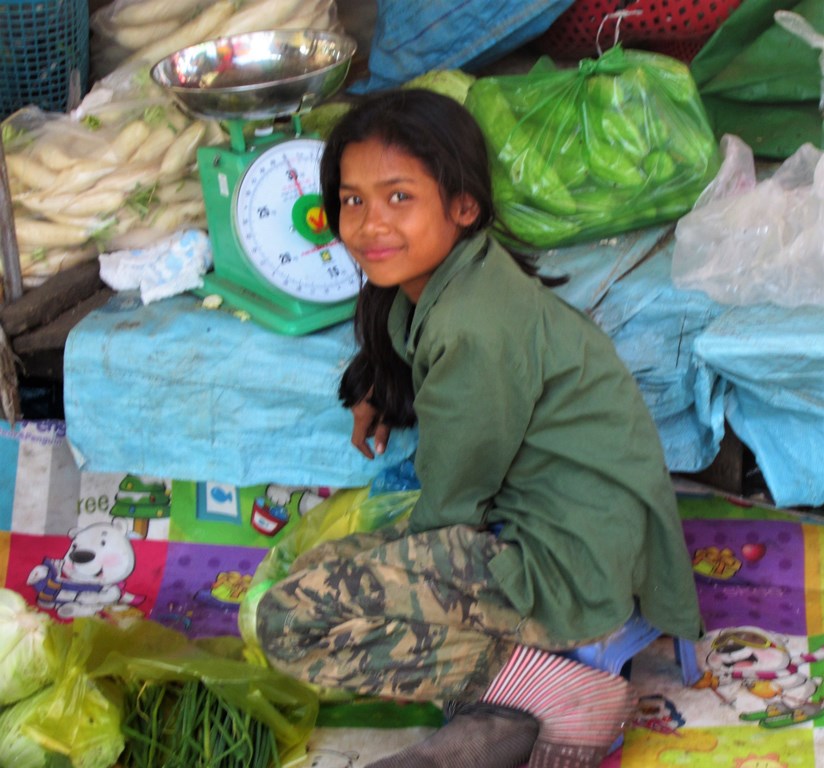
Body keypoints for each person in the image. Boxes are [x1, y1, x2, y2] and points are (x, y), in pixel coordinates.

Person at [255, 88, 702, 768]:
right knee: (325, 575)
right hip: (583, 535)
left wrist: (378, 585)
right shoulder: (463, 284)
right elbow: (412, 352)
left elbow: (450, 514)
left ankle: (558, 694)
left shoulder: (472, 326)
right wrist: (379, 385)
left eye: (399, 197)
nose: (371, 224)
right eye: (352, 201)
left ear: (463, 206)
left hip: (568, 567)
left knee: (290, 622)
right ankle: (519, 699)